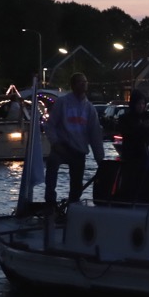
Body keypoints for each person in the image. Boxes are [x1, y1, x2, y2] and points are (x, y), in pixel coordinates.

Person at [45, 72, 105, 207]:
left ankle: (73, 205)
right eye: (80, 82)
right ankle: (50, 202)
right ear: (73, 85)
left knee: (77, 183)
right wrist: (55, 143)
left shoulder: (90, 109)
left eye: (85, 82)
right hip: (62, 146)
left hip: (79, 149)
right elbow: (50, 125)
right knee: (52, 165)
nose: (83, 84)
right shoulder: (62, 103)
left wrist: (100, 160)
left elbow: (95, 135)